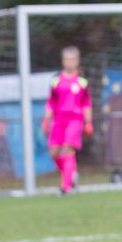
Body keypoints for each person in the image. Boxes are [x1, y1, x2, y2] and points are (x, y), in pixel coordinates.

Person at [41, 46, 93, 194]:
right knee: (54, 152)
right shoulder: (56, 80)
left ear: (77, 61)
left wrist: (88, 122)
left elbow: (86, 104)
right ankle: (71, 175)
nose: (70, 62)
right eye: (67, 59)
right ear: (63, 61)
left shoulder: (82, 82)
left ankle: (66, 187)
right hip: (58, 120)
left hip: (75, 119)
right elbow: (51, 102)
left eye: (72, 59)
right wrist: (46, 119)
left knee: (67, 148)